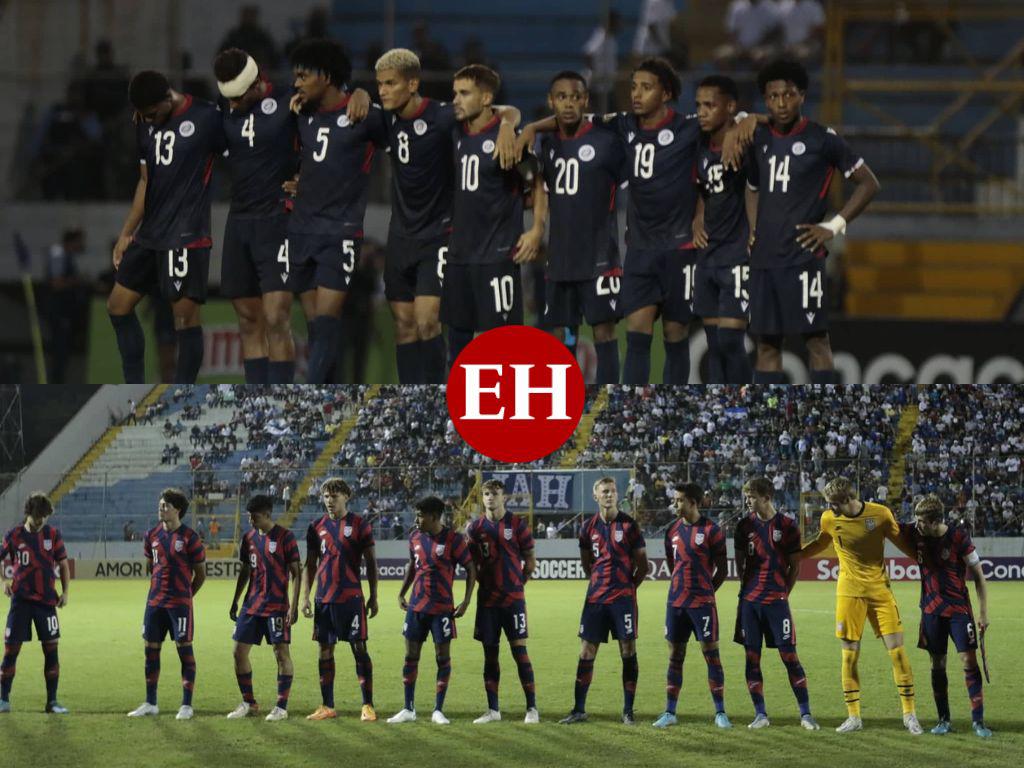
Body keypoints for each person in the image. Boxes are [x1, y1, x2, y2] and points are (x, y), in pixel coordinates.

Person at [373, 48, 519, 383]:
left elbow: (502, 109)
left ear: (412, 84)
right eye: (380, 84)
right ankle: (413, 401)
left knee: (428, 321)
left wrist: (509, 125)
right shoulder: (384, 119)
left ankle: (442, 397)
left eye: (390, 83)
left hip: (438, 236)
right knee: (404, 326)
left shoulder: (441, 115)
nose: (383, 91)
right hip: (399, 237)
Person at [744, 59, 880, 383]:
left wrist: (833, 226)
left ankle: (823, 422)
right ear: (766, 100)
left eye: (788, 95)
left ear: (802, 95)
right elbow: (752, 187)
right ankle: (771, 424)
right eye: (773, 96)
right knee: (766, 345)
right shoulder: (758, 138)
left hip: (803, 258)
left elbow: (869, 183)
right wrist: (752, 230)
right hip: (764, 259)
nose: (781, 103)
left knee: (816, 342)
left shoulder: (823, 138)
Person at [108, 70, 225, 383]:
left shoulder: (206, 116)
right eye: (143, 116)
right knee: (118, 307)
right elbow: (145, 181)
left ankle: (183, 395)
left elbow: (241, 149)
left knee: (184, 318)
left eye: (152, 113)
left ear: (167, 98)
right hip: (150, 235)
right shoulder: (144, 122)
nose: (149, 120)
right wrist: (126, 232)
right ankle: (133, 391)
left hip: (186, 235)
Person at [287, 39, 387, 383]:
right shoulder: (301, 114)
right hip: (300, 230)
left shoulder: (363, 116)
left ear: (326, 76)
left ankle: (310, 398)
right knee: (317, 327)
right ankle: (329, 396)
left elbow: (404, 130)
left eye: (303, 75)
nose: (297, 83)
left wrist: (365, 93)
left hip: (339, 231)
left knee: (328, 320)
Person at [800, 477, 922, 734]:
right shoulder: (829, 519)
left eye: (833, 504)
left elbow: (905, 545)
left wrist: (930, 561)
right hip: (849, 593)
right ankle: (854, 716)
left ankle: (909, 714)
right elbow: (821, 543)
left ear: (847, 500)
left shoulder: (880, 514)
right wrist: (793, 556)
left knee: (898, 652)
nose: (830, 508)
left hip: (880, 592)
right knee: (849, 654)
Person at [444, 65, 545, 365]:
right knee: (458, 348)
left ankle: (509, 410)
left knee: (501, 347)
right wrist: (507, 120)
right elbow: (509, 110)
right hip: (459, 256)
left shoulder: (508, 142)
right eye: (454, 93)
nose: (456, 100)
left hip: (496, 258)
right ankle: (458, 409)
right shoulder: (454, 132)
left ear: (486, 98)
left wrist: (537, 229)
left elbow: (538, 183)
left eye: (464, 93)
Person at [213, 48, 302, 384]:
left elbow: (328, 130)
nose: (232, 105)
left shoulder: (290, 101)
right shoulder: (224, 104)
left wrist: (305, 176)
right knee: (249, 318)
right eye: (228, 98)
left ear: (256, 85)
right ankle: (258, 401)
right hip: (239, 222)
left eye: (237, 97)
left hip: (276, 220)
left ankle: (281, 401)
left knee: (277, 316)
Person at [537, 71, 625, 384]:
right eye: (561, 97)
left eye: (575, 97)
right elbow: (539, 190)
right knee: (565, 334)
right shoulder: (546, 145)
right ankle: (566, 399)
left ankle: (608, 399)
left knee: (604, 331)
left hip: (600, 257)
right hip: (560, 260)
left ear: (585, 100)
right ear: (551, 101)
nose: (569, 103)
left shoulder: (608, 141)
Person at [900, 494, 992, 738]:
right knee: (937, 665)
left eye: (920, 521)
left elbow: (979, 577)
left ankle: (978, 721)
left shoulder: (958, 537)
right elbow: (889, 525)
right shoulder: (916, 534)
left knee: (968, 661)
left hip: (959, 611)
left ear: (933, 521)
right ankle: (944, 719)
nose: (916, 525)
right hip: (931, 611)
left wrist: (983, 613)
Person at [733, 477, 818, 729]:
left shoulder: (788, 526)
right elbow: (740, 564)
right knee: (752, 657)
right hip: (749, 602)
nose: (748, 500)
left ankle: (805, 714)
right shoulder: (743, 526)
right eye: (747, 495)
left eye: (751, 496)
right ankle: (760, 714)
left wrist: (783, 593)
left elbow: (794, 566)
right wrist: (749, 589)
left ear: (766, 497)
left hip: (777, 602)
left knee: (789, 655)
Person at [561, 477, 647, 725]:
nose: (609, 495)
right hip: (596, 600)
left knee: (628, 650)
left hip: (623, 601)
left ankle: (628, 711)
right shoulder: (587, 527)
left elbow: (642, 566)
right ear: (595, 496)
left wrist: (627, 589)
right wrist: (600, 584)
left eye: (612, 491)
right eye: (604, 491)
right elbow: (587, 563)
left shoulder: (630, 525)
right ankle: (578, 709)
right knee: (586, 651)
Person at [388, 496, 477, 725]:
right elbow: (412, 566)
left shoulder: (454, 540)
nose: (416, 519)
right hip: (416, 606)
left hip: (441, 609)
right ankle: (408, 708)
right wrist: (401, 592)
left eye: (420, 515)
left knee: (442, 657)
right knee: (410, 656)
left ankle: (438, 709)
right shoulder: (414, 537)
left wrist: (466, 601)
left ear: (434, 517)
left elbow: (470, 568)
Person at [300, 478, 379, 721]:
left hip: (351, 598)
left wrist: (374, 595)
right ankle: (327, 705)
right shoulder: (316, 527)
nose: (329, 501)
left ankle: (367, 705)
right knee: (324, 650)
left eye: (334, 496)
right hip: (324, 599)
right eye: (326, 497)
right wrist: (305, 597)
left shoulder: (359, 525)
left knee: (359, 648)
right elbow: (310, 564)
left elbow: (372, 563)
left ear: (346, 496)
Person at [652, 484, 730, 728]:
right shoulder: (672, 531)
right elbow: (672, 564)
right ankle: (670, 712)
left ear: (693, 502)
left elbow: (722, 570)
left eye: (680, 500)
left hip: (702, 604)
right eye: (675, 500)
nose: (676, 504)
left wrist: (706, 592)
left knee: (711, 655)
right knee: (675, 655)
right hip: (676, 603)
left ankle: (720, 712)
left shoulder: (712, 530)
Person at [692, 75, 752, 384]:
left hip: (738, 252)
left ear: (730, 107)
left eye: (710, 105)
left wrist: (743, 121)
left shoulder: (745, 141)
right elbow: (704, 190)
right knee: (714, 344)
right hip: (708, 253)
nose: (702, 112)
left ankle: (745, 405)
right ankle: (718, 410)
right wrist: (697, 216)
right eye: (699, 105)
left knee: (730, 339)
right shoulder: (700, 146)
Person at [127, 488, 207, 720]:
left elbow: (200, 574)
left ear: (177, 510)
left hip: (179, 604)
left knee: (184, 650)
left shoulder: (190, 537)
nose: (161, 509)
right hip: (155, 603)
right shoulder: (151, 535)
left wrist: (186, 596)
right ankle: (151, 702)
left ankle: (186, 705)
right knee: (150, 650)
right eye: (160, 505)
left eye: (166, 506)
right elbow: (150, 567)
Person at [465, 480, 539, 723]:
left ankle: (531, 709)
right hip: (487, 602)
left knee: (520, 652)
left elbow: (530, 561)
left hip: (513, 600)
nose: (489, 498)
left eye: (494, 494)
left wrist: (518, 585)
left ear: (503, 497)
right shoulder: (474, 528)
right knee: (490, 655)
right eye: (486, 494)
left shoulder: (517, 525)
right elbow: (471, 566)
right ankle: (493, 710)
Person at [227, 495, 301, 722]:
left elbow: (297, 573)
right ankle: (249, 702)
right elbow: (245, 571)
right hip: (252, 605)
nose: (250, 520)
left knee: (281, 654)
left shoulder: (285, 537)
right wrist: (236, 599)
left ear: (267, 515)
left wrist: (294, 606)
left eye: (254, 516)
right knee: (238, 652)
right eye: (249, 515)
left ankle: (281, 706)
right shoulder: (248, 538)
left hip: (277, 606)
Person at [0, 493, 70, 714]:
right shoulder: (14, 535)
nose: (41, 521)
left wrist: (66, 592)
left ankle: (52, 702)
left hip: (46, 603)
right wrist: (3, 581)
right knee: (11, 650)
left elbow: (64, 565)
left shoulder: (52, 534)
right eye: (38, 516)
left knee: (51, 650)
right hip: (20, 602)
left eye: (44, 517)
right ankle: (3, 700)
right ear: (28, 513)